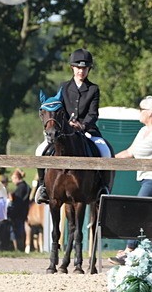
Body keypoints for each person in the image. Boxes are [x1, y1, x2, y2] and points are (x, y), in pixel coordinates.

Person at [33, 48, 112, 203]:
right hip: (64, 131)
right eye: (78, 68)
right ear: (72, 68)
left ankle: (103, 186)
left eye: (85, 68)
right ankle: (43, 186)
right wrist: (66, 124)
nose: (81, 71)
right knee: (40, 150)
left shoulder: (93, 89)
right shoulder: (64, 88)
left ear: (89, 69)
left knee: (105, 150)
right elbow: (58, 110)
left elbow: (93, 113)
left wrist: (82, 125)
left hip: (87, 130)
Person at [115, 96, 152, 198]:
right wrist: (110, 158)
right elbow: (129, 152)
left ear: (149, 112)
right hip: (144, 178)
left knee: (139, 207)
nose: (140, 112)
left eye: (141, 110)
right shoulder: (143, 130)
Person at [7, 169, 30, 252]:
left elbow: (17, 202)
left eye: (13, 179)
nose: (12, 181)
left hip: (19, 213)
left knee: (17, 231)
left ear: (17, 178)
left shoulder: (21, 188)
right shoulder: (25, 186)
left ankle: (19, 248)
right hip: (23, 212)